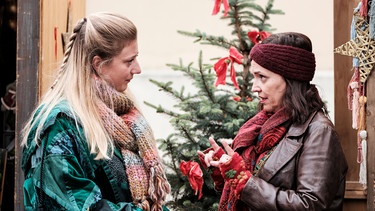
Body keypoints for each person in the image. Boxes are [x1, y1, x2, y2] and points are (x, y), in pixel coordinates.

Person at [21, 12, 170, 211]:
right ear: (99, 65)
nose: (138, 69)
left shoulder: (121, 114)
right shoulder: (61, 124)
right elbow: (77, 205)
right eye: (129, 61)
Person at [198, 32, 348, 211]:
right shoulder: (260, 125)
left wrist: (243, 181)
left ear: (290, 79)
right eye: (254, 77)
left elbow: (310, 205)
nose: (254, 87)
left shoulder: (318, 131)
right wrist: (225, 167)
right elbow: (249, 193)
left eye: (262, 77)